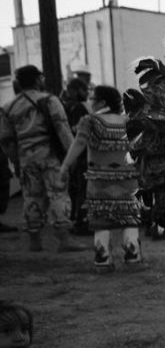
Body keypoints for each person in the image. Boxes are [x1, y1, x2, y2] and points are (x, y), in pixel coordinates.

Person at [0, 65, 82, 253]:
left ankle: (34, 240)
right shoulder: (49, 100)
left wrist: (16, 161)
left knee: (31, 196)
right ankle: (64, 239)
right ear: (37, 80)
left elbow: (5, 140)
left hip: (26, 158)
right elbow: (63, 129)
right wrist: (72, 155)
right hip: (50, 155)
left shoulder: (8, 107)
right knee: (58, 193)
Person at [60, 85, 143, 269]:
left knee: (101, 220)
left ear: (102, 102)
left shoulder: (89, 121)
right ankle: (133, 257)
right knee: (129, 217)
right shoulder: (129, 121)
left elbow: (79, 143)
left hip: (100, 180)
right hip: (128, 178)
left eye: (93, 99)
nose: (91, 102)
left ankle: (103, 259)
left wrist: (65, 166)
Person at [61, 77, 92, 236]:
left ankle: (81, 221)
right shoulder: (88, 106)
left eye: (71, 90)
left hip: (82, 155)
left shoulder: (78, 108)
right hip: (91, 154)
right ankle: (82, 219)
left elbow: (75, 132)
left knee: (82, 188)